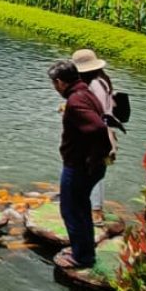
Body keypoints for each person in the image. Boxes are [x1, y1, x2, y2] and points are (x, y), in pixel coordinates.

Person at [48, 60, 111, 269]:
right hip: (87, 164)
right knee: (81, 208)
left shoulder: (75, 101)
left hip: (79, 166)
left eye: (54, 83)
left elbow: (98, 128)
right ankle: (83, 251)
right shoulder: (86, 92)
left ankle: (81, 257)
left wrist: (94, 156)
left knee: (71, 210)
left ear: (60, 82)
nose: (55, 88)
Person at [72, 48, 119, 226]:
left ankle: (96, 212)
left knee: (92, 170)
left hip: (95, 134)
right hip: (103, 131)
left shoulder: (94, 85)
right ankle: (92, 207)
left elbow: (96, 112)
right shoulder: (103, 81)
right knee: (94, 171)